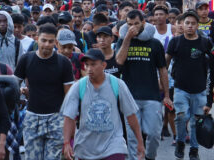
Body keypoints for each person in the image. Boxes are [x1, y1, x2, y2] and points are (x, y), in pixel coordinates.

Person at [62, 48, 145, 160]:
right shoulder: (78, 87)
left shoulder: (117, 84)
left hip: (113, 145)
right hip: (85, 148)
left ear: (104, 65)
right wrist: (67, 142)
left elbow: (131, 115)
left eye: (93, 64)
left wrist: (140, 142)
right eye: (86, 65)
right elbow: (69, 116)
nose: (89, 69)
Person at [116, 10, 173, 160]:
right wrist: (127, 38)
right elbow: (119, 61)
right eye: (129, 24)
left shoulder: (154, 44)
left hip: (152, 96)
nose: (133, 27)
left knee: (154, 134)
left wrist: (166, 95)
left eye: (136, 23)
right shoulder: (123, 41)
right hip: (130, 97)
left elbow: (162, 69)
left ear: (143, 23)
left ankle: (149, 157)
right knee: (133, 137)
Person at [14, 23, 74, 159]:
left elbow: (69, 97)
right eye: (44, 40)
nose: (47, 44)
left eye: (50, 41)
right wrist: (19, 95)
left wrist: (69, 124)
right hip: (32, 118)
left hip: (56, 119)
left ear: (56, 42)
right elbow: (14, 85)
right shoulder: (26, 59)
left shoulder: (64, 63)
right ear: (37, 39)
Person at [165, 10, 213, 160]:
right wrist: (163, 80)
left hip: (200, 90)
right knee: (181, 116)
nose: (190, 26)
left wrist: (210, 99)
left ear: (197, 25)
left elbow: (212, 68)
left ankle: (194, 150)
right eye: (187, 23)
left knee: (195, 123)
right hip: (180, 88)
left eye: (193, 23)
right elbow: (165, 63)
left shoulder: (205, 43)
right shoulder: (175, 42)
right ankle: (180, 141)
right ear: (182, 25)